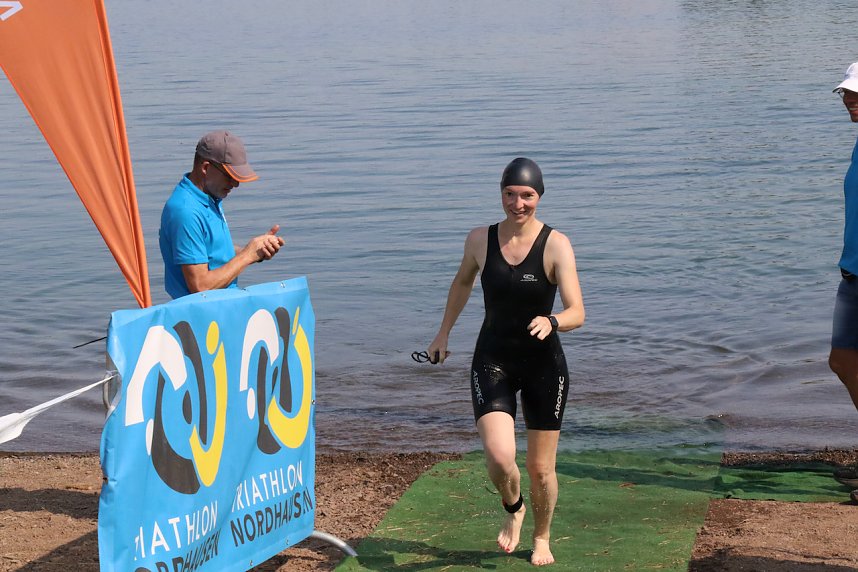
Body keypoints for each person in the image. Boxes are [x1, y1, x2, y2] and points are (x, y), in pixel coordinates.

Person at [426, 158, 585, 566]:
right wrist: (443, 333)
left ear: (539, 197)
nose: (518, 203)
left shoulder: (556, 244)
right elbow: (463, 281)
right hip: (492, 358)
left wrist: (553, 321)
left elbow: (577, 311)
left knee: (540, 469)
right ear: (501, 194)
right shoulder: (481, 239)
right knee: (499, 457)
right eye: (510, 194)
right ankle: (513, 508)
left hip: (543, 367)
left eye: (527, 195)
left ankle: (543, 536)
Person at [159, 130, 284, 299]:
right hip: (200, 319)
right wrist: (247, 256)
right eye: (229, 176)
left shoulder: (208, 198)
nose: (235, 184)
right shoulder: (186, 211)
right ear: (205, 168)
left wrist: (256, 251)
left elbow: (211, 253)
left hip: (220, 310)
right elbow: (200, 287)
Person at [830, 64, 858, 498]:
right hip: (852, 273)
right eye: (845, 94)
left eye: (856, 94)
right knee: (842, 360)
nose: (849, 100)